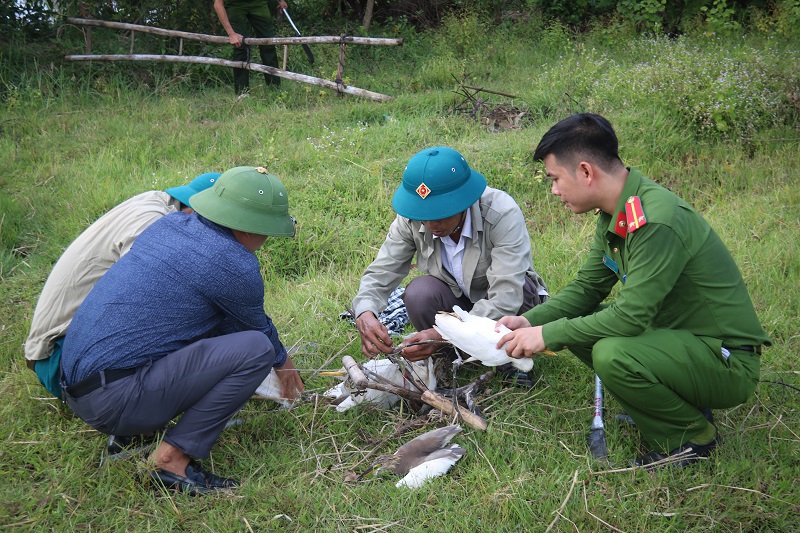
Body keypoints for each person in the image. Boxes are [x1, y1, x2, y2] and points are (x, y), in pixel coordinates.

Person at [497, 113, 770, 467]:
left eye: (555, 179)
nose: (553, 191)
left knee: (612, 352)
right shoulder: (617, 211)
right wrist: (529, 321)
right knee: (582, 326)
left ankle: (691, 437)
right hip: (682, 340)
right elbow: (587, 288)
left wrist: (547, 334)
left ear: (585, 171)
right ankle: (669, 405)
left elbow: (630, 318)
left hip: (726, 361)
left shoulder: (655, 220)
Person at [59, 166, 304, 495]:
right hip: (114, 401)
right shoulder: (234, 263)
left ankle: (132, 433)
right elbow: (257, 331)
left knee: (197, 325)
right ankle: (171, 462)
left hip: (76, 388)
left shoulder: (169, 225)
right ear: (249, 228)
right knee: (256, 349)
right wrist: (284, 365)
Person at [24, 172, 221, 399]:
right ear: (197, 212)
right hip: (62, 360)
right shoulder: (151, 222)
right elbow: (151, 293)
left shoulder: (156, 202)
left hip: (69, 351)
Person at [352, 146, 548, 363]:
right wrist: (365, 312)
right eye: (424, 215)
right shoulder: (411, 219)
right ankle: (447, 358)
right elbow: (383, 270)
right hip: (456, 302)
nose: (431, 224)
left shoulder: (501, 213)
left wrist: (445, 333)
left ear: (464, 200)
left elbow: (506, 297)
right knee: (419, 293)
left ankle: (508, 357)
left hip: (505, 305)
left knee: (520, 290)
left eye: (440, 213)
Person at [214, 0, 287, 94]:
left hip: (258, 4)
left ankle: (275, 88)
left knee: (268, 44)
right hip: (235, 5)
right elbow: (218, 4)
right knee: (240, 45)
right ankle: (242, 92)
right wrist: (231, 34)